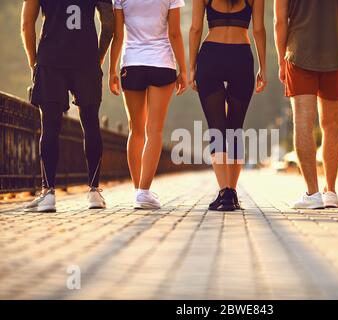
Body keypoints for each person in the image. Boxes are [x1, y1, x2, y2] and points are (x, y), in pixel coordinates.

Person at [22, 0, 114, 212]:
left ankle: (48, 193)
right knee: (91, 124)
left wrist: (34, 62)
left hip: (51, 60)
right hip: (86, 60)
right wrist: (97, 57)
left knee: (50, 127)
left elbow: (27, 23)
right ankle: (93, 192)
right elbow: (109, 23)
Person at [274, 0, 338, 209]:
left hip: (298, 55)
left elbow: (280, 20)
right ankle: (330, 191)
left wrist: (280, 60)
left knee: (303, 121)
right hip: (336, 57)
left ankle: (313, 193)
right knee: (331, 123)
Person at [109, 0, 188, 209]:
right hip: (162, 63)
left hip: (132, 64)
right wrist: (184, 70)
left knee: (136, 131)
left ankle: (139, 192)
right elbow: (175, 34)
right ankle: (144, 192)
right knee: (154, 131)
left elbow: (117, 36)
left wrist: (111, 71)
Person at [189, 0, 267, 211]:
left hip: (211, 55)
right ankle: (232, 193)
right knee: (235, 129)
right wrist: (263, 67)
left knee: (217, 129)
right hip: (241, 56)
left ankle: (224, 192)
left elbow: (196, 28)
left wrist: (191, 67)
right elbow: (259, 29)